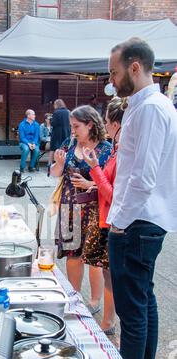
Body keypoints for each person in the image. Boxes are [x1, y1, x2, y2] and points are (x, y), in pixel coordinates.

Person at [107, 37, 177, 359]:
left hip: (137, 223)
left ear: (135, 67)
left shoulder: (151, 108)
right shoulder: (147, 104)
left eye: (114, 71)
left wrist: (119, 222)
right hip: (144, 220)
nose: (111, 79)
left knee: (133, 312)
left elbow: (143, 177)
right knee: (143, 303)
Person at [50, 105, 112, 313]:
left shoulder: (105, 149)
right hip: (69, 207)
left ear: (90, 124)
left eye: (76, 126)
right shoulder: (69, 143)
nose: (72, 131)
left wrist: (89, 184)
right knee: (72, 253)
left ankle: (94, 301)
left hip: (95, 209)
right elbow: (55, 173)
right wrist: (58, 164)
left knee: (94, 257)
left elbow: (111, 182)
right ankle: (74, 296)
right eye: (71, 126)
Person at [82, 97, 127, 334]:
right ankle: (108, 321)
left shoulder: (122, 154)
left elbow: (114, 195)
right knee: (108, 274)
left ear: (116, 123)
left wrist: (95, 169)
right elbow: (106, 186)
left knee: (112, 277)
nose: (106, 126)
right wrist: (96, 183)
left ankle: (109, 322)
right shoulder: (118, 149)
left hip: (112, 221)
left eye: (108, 122)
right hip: (105, 218)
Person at [49, 99, 71, 167]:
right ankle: (62, 164)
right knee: (64, 148)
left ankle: (50, 164)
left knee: (53, 148)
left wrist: (50, 119)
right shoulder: (68, 112)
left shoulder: (56, 112)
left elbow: (53, 123)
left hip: (57, 133)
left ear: (57, 105)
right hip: (66, 132)